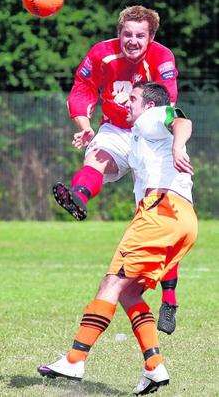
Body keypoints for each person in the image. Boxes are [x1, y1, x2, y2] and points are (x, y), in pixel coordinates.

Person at [38, 83, 198, 395]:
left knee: (111, 283)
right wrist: (89, 137)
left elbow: (181, 120)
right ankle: (154, 367)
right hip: (184, 219)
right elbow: (112, 160)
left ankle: (74, 359)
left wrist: (179, 145)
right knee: (129, 293)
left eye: (133, 98)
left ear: (149, 105)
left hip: (161, 210)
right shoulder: (141, 140)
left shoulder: (150, 119)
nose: (127, 103)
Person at [53, 5, 181, 334]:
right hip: (114, 129)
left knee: (159, 221)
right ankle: (79, 197)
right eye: (127, 34)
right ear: (119, 31)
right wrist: (84, 125)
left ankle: (169, 299)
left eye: (140, 35)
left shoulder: (162, 58)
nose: (132, 41)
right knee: (96, 157)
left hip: (151, 136)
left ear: (150, 37)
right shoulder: (101, 53)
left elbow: (169, 99)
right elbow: (81, 92)